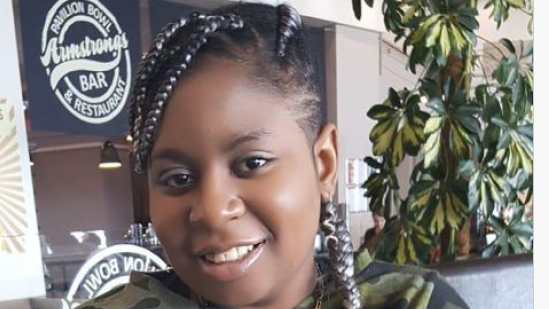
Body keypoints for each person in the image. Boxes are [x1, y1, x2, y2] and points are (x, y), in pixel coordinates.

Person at [78, 3, 468, 308]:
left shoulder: (412, 303)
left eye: (252, 163)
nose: (213, 210)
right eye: (178, 179)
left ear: (324, 163)